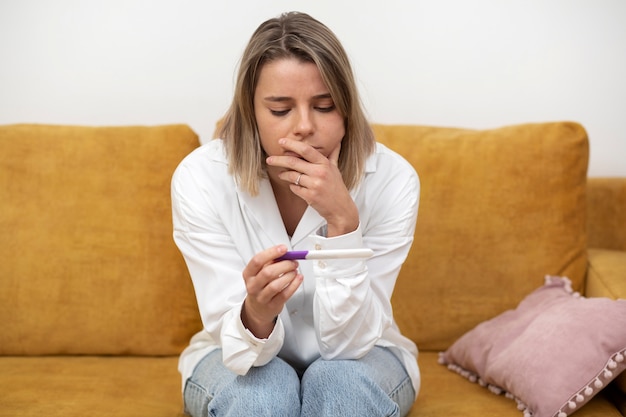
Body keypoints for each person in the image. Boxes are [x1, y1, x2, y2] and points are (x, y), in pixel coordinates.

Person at [171, 11, 420, 417]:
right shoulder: (201, 178)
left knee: (339, 384)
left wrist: (344, 226)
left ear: (347, 110)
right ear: (251, 113)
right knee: (262, 392)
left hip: (365, 357)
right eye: (280, 109)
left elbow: (348, 347)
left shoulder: (393, 179)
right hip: (231, 354)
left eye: (324, 106)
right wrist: (256, 313)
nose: (304, 127)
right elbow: (237, 352)